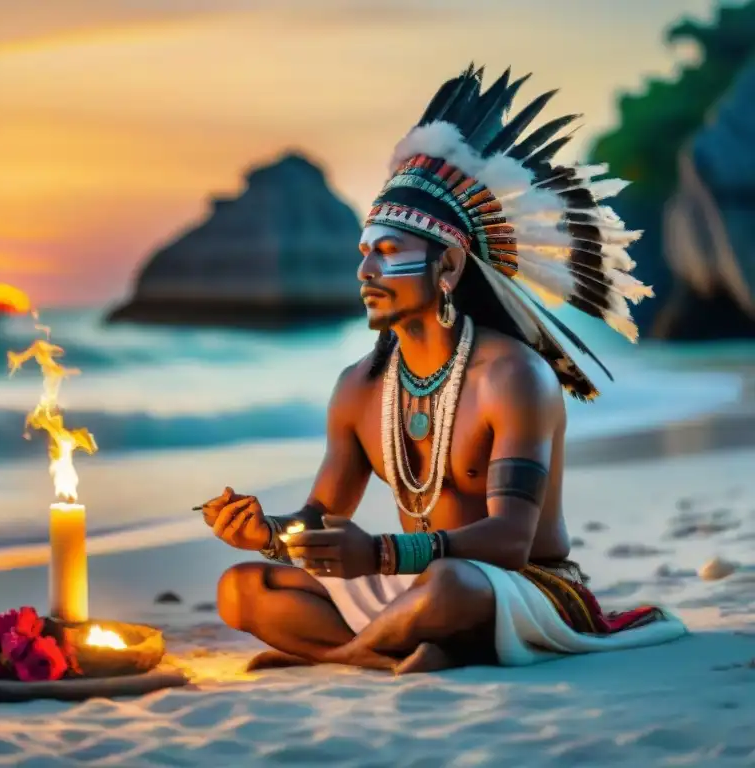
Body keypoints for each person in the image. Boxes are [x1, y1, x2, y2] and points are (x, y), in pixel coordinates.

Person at [200, 64, 687, 674]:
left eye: (388, 252)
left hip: (519, 586)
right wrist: (267, 534)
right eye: (363, 254)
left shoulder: (514, 377)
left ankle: (351, 652)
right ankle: (391, 652)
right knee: (242, 589)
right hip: (413, 581)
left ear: (449, 266)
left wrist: (378, 554)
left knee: (454, 586)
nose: (365, 273)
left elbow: (510, 540)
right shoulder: (358, 388)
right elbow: (322, 520)